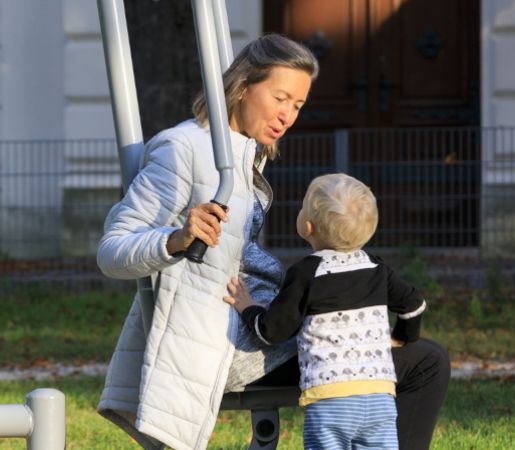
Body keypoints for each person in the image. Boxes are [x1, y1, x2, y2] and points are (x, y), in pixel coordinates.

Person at [95, 34, 448, 450]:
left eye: (297, 106)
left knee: (414, 354)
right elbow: (111, 251)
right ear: (243, 87)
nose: (287, 115)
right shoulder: (183, 148)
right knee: (425, 361)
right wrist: (176, 238)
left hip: (263, 325)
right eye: (280, 98)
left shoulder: (244, 153)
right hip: (230, 344)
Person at [224, 174, 425, 450]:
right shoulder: (377, 269)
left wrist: (248, 308)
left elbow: (272, 331)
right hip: (379, 396)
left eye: (303, 205)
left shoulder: (306, 273)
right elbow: (415, 306)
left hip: (331, 399)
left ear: (308, 226)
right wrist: (401, 337)